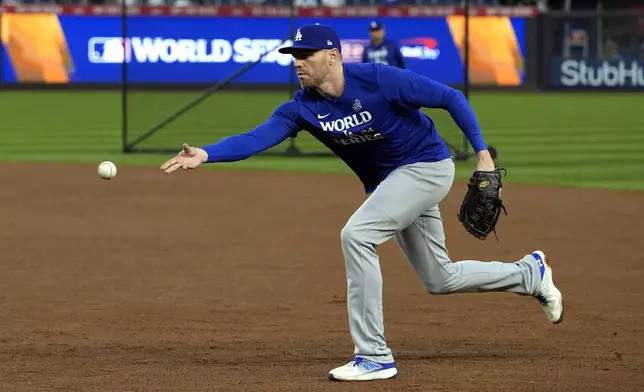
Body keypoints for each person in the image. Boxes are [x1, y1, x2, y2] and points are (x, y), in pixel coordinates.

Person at [160, 23, 564, 382]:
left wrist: (483, 156)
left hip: (425, 167)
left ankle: (373, 356)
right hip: (390, 184)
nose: (297, 63)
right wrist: (207, 153)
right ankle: (530, 273)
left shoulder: (378, 79)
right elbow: (254, 138)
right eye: (293, 56)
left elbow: (451, 97)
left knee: (357, 235)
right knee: (440, 278)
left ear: (333, 56)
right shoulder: (301, 107)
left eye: (305, 55)